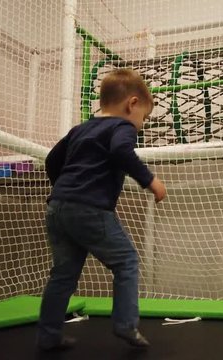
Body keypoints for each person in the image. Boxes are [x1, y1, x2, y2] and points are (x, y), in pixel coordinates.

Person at [37, 68, 166, 351]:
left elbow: (51, 160)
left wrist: (65, 189)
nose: (141, 125)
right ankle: (125, 324)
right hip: (90, 209)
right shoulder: (122, 128)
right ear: (131, 103)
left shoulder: (80, 129)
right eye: (143, 117)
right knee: (126, 261)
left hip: (58, 208)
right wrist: (150, 180)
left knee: (63, 274)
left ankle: (48, 335)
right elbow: (122, 152)